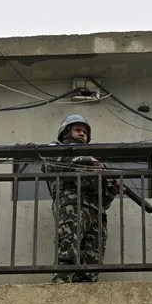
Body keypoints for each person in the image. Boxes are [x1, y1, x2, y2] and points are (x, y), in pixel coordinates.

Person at [44, 114, 119, 283]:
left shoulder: (94, 161)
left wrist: (112, 189)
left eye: (84, 132)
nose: (82, 134)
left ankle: (86, 289)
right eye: (78, 130)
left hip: (96, 213)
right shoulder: (56, 149)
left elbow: (104, 200)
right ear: (66, 132)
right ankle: (61, 284)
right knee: (68, 252)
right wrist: (92, 163)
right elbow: (56, 161)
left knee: (93, 263)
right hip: (71, 206)